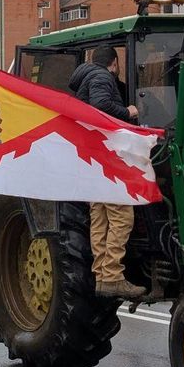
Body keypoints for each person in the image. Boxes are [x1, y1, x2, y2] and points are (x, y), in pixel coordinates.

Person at [69, 45, 146, 298]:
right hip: (108, 157)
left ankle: (102, 275)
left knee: (100, 216)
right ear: (114, 63)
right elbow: (101, 104)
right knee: (122, 217)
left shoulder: (85, 78)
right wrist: (128, 112)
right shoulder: (103, 77)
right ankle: (112, 275)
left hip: (93, 157)